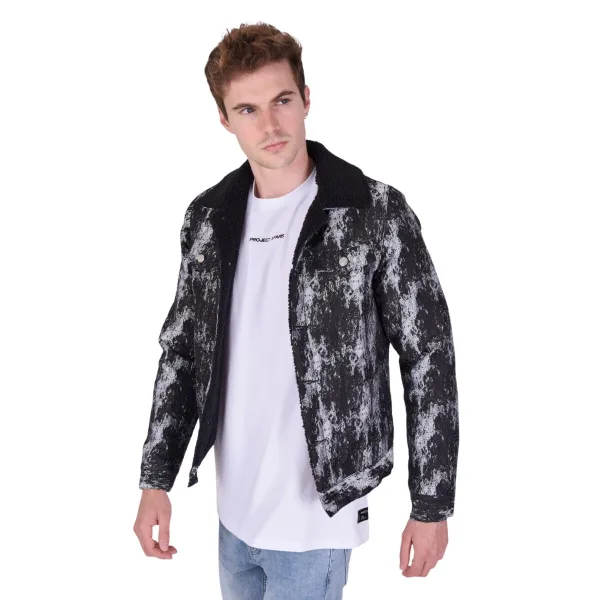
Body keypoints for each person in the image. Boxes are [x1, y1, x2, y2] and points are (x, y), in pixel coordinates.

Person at [133, 21, 459, 599]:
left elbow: (428, 356)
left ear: (306, 98)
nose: (270, 125)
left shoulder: (371, 212)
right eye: (248, 109)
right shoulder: (208, 219)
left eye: (282, 101)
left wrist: (431, 504)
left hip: (318, 518)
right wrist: (155, 480)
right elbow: (181, 352)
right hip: (233, 514)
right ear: (224, 119)